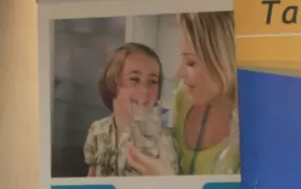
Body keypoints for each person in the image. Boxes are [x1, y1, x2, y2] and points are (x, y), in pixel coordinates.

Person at [127, 12, 238, 176]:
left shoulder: (255, 129)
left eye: (191, 63)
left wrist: (167, 183)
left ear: (224, 59)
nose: (179, 73)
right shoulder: (184, 95)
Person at [85, 42, 179, 177]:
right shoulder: (97, 130)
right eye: (134, 79)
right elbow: (91, 178)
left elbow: (170, 187)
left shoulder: (162, 141)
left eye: (152, 81)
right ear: (112, 82)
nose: (144, 90)